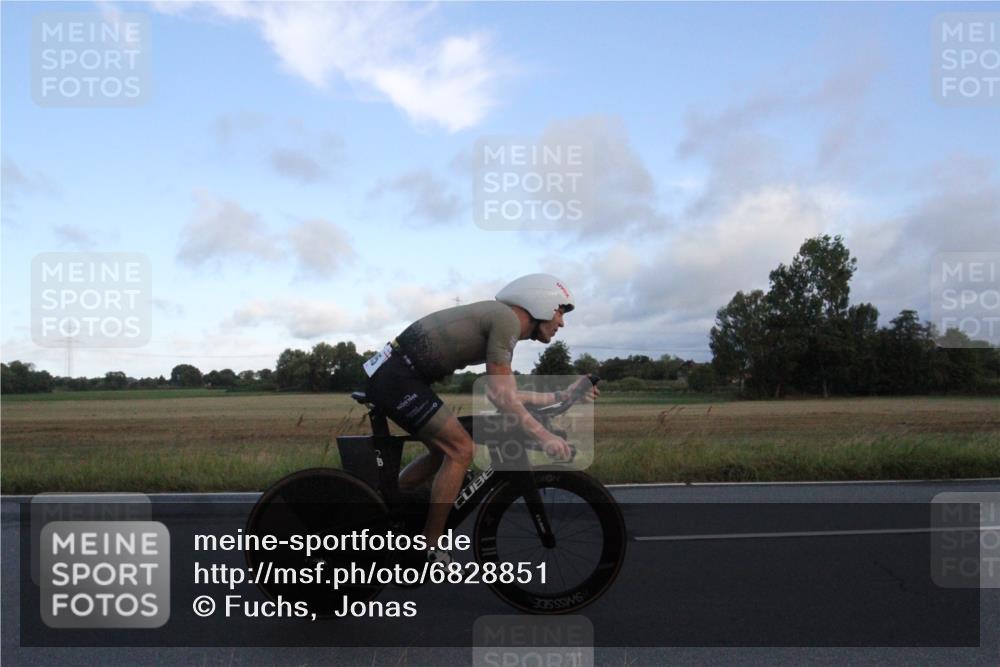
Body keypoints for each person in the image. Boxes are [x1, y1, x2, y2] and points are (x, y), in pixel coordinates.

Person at [363, 273, 599, 562]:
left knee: (443, 450)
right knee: (461, 449)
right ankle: (430, 547)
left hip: (395, 375)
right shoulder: (506, 320)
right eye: (560, 312)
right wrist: (544, 436)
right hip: (397, 378)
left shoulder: (502, 322)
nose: (561, 322)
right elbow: (502, 397)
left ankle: (387, 512)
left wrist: (562, 397)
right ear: (540, 303)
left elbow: (504, 391)